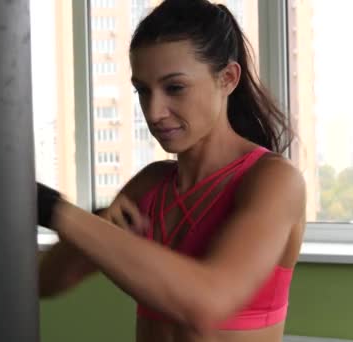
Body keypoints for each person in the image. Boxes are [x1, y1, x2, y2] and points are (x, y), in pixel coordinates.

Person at [38, 1, 306, 341]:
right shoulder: (151, 183)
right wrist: (98, 225)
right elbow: (46, 282)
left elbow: (208, 302)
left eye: (174, 88)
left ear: (228, 78)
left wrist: (57, 211)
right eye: (143, 91)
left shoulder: (273, 181)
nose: (154, 112)